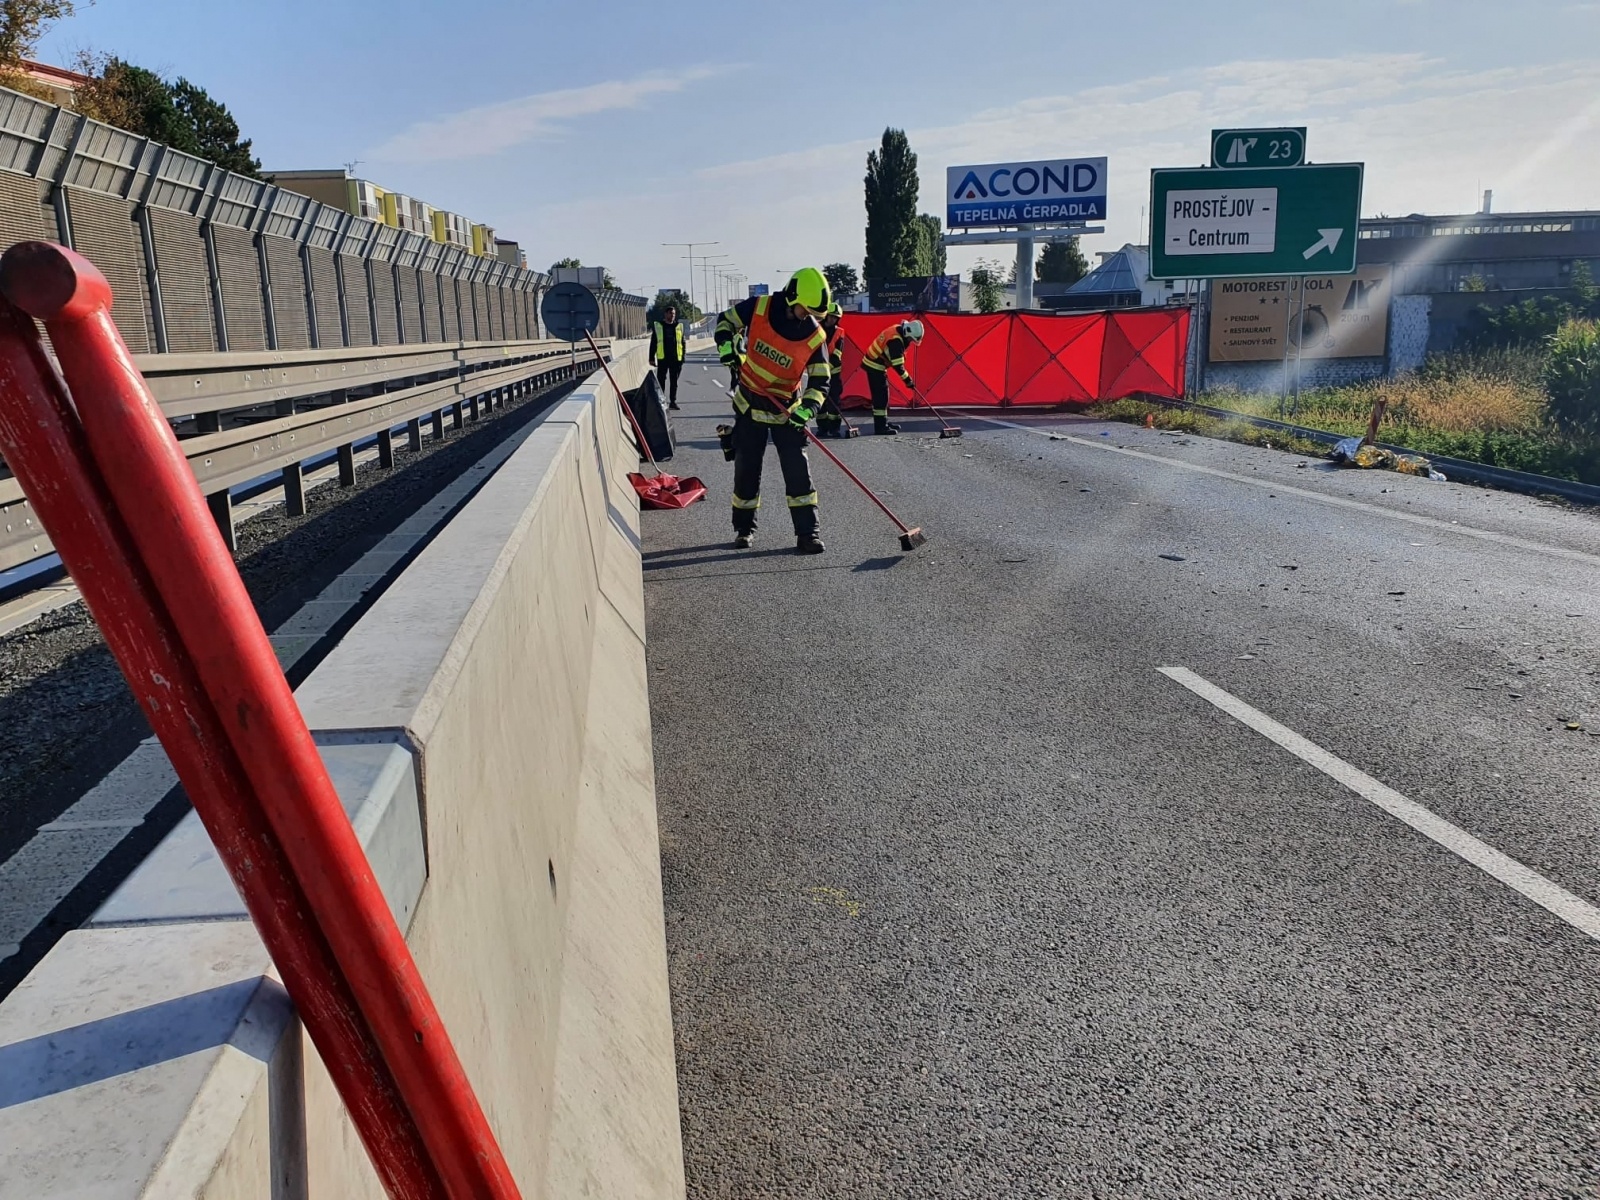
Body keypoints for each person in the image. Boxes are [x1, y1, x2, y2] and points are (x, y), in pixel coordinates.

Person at [714, 268, 832, 554]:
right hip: (750, 405)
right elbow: (725, 323)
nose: (808, 316)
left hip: (787, 412)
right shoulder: (759, 308)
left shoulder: (815, 337)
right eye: (805, 310)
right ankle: (743, 530)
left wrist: (807, 410)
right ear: (792, 296)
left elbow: (820, 380)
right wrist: (727, 346)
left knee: (798, 475)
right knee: (746, 471)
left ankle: (808, 534)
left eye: (813, 313)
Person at [860, 318, 924, 435]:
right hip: (874, 365)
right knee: (881, 397)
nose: (910, 341)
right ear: (907, 333)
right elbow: (898, 366)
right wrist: (908, 381)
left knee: (884, 395)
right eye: (910, 339)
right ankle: (880, 427)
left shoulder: (897, 330)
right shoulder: (896, 341)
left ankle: (883, 422)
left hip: (875, 364)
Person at [813, 301, 855, 438]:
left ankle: (834, 429)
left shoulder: (839, 333)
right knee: (819, 401)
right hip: (817, 373)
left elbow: (837, 355)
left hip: (833, 374)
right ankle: (822, 428)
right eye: (830, 316)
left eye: (835, 318)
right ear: (825, 316)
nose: (832, 320)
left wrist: (827, 371)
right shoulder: (816, 329)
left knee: (834, 402)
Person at [649, 303, 686, 409]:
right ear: (665, 314)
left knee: (674, 381)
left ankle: (673, 402)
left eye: (674, 313)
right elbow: (653, 343)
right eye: (670, 313)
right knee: (661, 380)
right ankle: (662, 401)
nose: (672, 315)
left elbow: (683, 343)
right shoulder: (659, 326)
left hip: (676, 359)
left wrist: (683, 356)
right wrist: (651, 357)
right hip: (663, 358)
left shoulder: (679, 326)